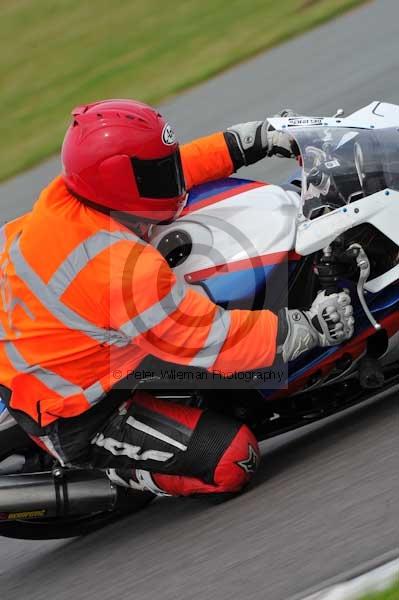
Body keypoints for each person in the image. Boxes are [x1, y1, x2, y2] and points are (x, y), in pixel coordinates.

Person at [0, 99, 354, 497]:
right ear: (119, 181)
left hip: (69, 340)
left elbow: (174, 171)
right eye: (157, 170)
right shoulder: (121, 268)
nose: (170, 174)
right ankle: (118, 471)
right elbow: (214, 341)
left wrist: (248, 141)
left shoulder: (72, 193)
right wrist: (311, 327)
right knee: (234, 459)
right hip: (80, 412)